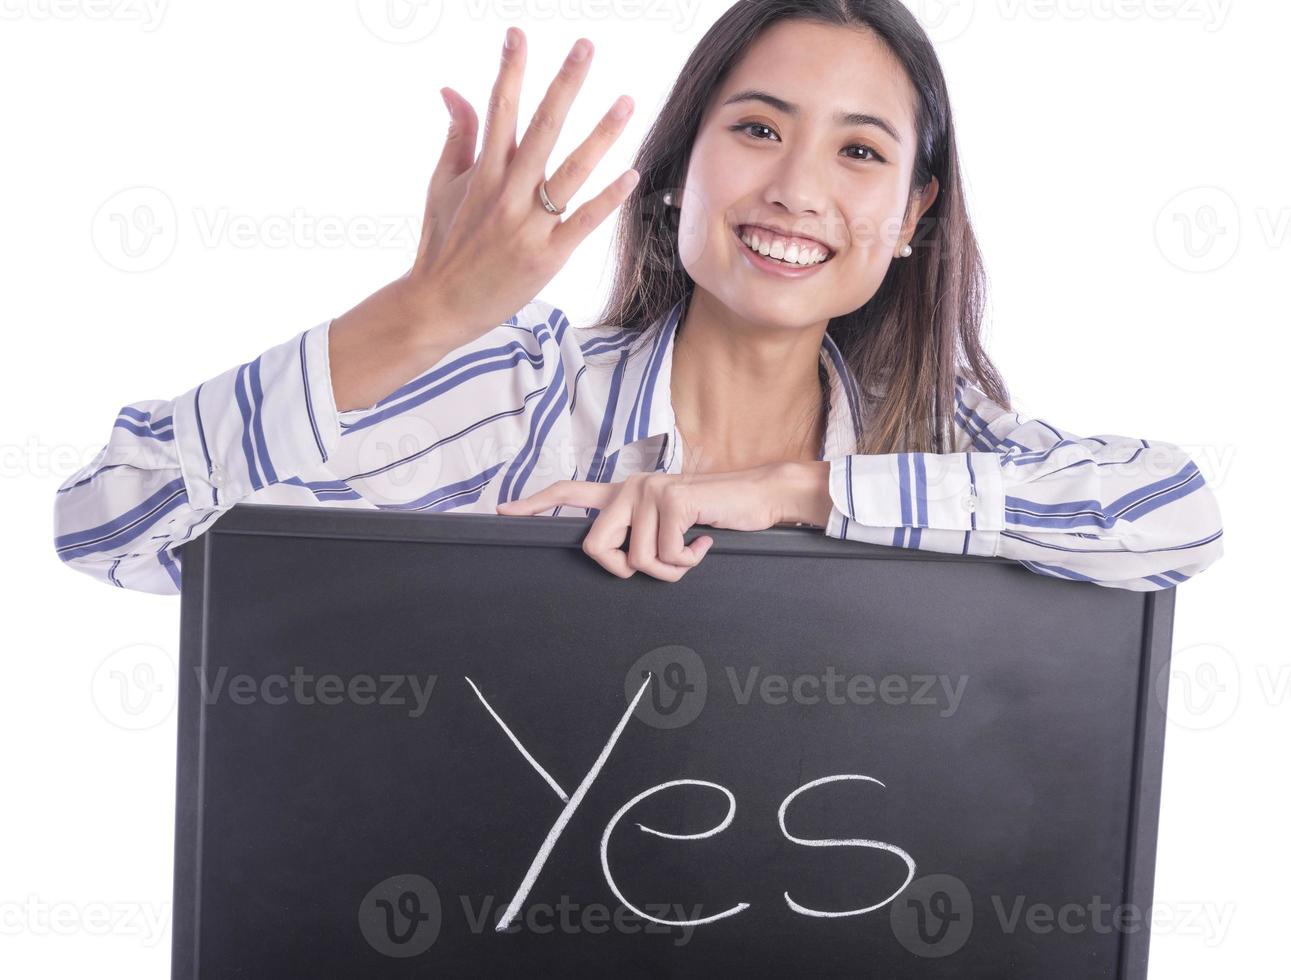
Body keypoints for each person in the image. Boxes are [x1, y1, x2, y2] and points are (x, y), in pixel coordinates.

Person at [53, 1, 1223, 595]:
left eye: (860, 152)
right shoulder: (522, 396)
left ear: (913, 216)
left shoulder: (932, 438)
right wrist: (424, 313)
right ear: (675, 176)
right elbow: (113, 517)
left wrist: (786, 493)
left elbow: (1175, 510)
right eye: (757, 128)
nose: (798, 189)